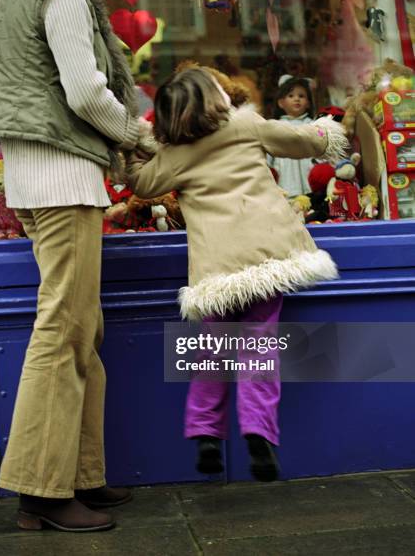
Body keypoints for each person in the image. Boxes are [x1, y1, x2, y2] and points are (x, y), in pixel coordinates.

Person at [0, 0, 150, 533]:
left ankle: (81, 475)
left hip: (37, 179)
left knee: (79, 327)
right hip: (62, 179)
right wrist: (136, 134)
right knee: (64, 333)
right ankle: (40, 492)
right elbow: (86, 91)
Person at [126, 67, 348, 482]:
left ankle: (205, 432)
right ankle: (259, 432)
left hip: (219, 268)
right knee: (259, 348)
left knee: (213, 348)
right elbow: (301, 141)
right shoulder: (245, 125)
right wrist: (325, 130)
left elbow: (141, 180)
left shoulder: (175, 156)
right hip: (267, 258)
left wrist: (137, 145)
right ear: (217, 98)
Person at [268, 75, 318, 197]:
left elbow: (321, 144)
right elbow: (268, 150)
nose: (296, 99)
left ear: (308, 103)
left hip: (308, 171)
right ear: (281, 103)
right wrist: (267, 167)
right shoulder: (274, 126)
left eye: (301, 96)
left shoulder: (314, 125)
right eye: (291, 96)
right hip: (283, 171)